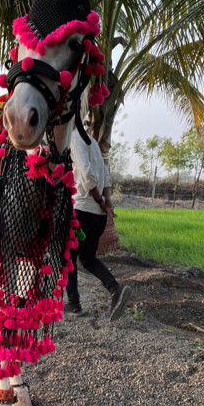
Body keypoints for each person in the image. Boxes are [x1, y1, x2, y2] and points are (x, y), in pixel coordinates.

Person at [66, 126, 131, 320]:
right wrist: (107, 201)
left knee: (69, 258)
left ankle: (74, 304)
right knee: (87, 258)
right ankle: (115, 289)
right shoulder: (93, 141)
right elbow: (105, 172)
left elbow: (87, 176)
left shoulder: (75, 138)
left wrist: (101, 201)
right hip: (98, 216)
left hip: (82, 210)